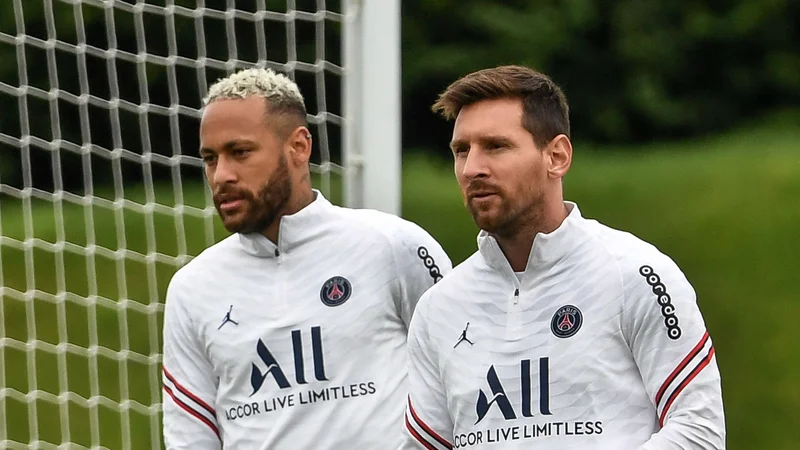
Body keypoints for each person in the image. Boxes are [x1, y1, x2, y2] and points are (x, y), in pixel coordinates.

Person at [400, 65, 725, 449]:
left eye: (496, 146)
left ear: (556, 156)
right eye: (461, 151)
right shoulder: (439, 307)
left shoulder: (634, 273)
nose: (472, 169)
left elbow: (699, 430)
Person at [161, 67, 452, 449]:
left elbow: (466, 377)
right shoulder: (192, 288)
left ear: (299, 147)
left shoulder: (393, 245)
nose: (221, 176)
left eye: (240, 152)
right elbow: (190, 437)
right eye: (211, 158)